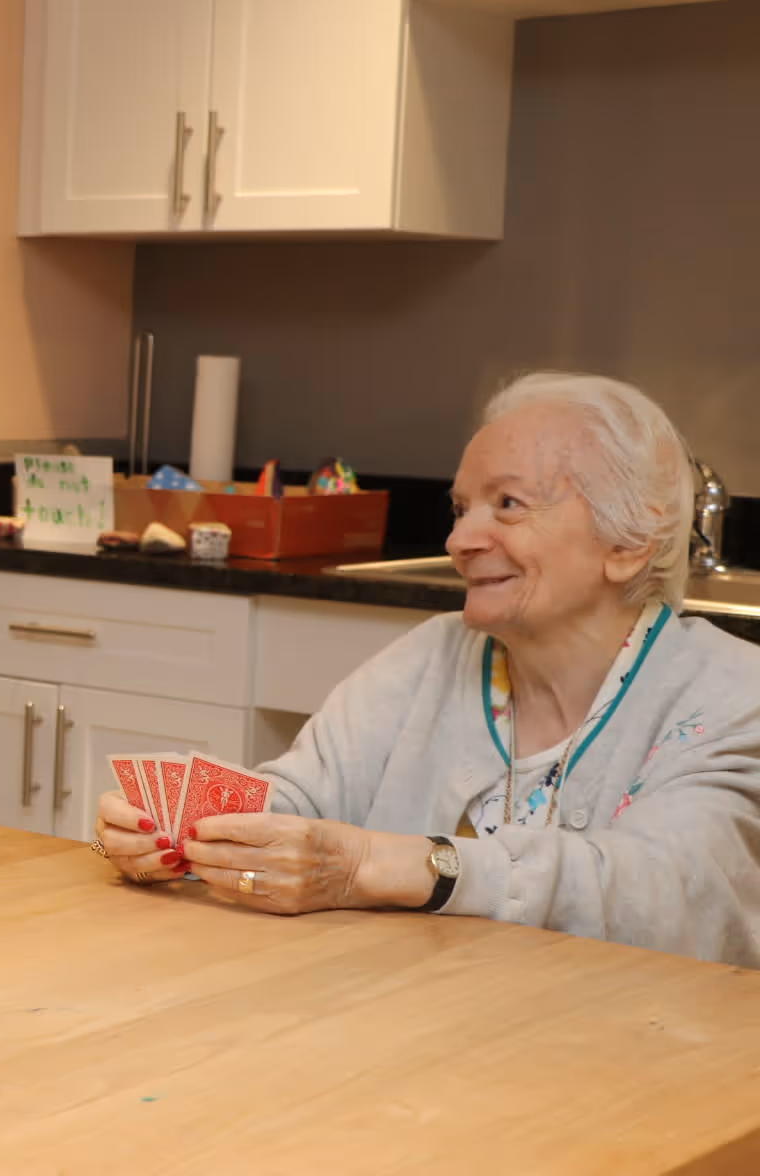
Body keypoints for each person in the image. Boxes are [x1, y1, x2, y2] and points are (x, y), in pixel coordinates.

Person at [92, 371, 760, 965]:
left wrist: (398, 865)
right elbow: (303, 801)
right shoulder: (432, 656)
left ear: (629, 542)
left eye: (508, 504)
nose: (460, 541)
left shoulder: (732, 694)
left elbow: (675, 893)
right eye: (461, 507)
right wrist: (189, 826)